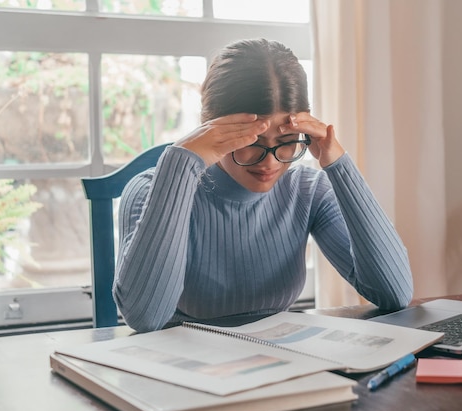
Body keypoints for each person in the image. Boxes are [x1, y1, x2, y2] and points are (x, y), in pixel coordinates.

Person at [114, 39, 413, 333]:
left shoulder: (308, 191)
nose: (270, 163)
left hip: (278, 361)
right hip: (178, 366)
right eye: (251, 142)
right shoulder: (150, 190)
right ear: (211, 129)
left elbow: (394, 294)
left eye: (286, 143)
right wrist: (179, 164)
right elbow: (146, 318)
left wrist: (339, 165)